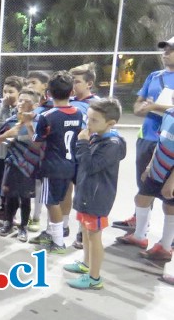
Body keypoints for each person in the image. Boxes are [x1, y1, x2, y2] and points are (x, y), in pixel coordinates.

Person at [64, 98, 126, 290]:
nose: (88, 124)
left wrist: (82, 143)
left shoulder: (112, 144)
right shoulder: (97, 136)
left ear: (110, 123)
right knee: (85, 230)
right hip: (86, 192)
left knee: (94, 235)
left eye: (94, 121)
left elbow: (90, 165)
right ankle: (86, 264)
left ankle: (94, 278)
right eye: (88, 119)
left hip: (97, 197)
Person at [113, 37, 174, 231]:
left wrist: (155, 106)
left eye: (170, 50)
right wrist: (140, 108)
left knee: (168, 192)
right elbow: (139, 103)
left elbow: (152, 105)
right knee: (144, 182)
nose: (165, 53)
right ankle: (140, 224)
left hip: (168, 142)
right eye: (165, 50)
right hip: (146, 137)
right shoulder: (154, 76)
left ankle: (167, 239)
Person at [28, 71, 83, 254]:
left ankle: (58, 242)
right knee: (58, 199)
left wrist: (28, 124)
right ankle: (51, 233)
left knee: (51, 203)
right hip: (70, 164)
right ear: (72, 91)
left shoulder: (48, 116)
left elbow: (36, 143)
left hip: (52, 165)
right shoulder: (77, 113)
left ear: (48, 94)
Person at [116, 98, 174, 262]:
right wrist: (150, 167)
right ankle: (140, 236)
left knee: (169, 207)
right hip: (158, 168)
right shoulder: (169, 113)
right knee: (141, 199)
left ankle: (165, 247)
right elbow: (161, 142)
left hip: (171, 174)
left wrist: (171, 182)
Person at [0, 88, 42, 242]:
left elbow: (38, 145)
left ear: (35, 105)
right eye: (20, 100)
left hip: (29, 166)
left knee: (25, 197)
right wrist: (9, 134)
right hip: (12, 163)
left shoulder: (39, 122)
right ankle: (8, 222)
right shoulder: (12, 121)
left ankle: (23, 227)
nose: (20, 103)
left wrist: (26, 127)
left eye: (25, 101)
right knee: (9, 195)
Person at [67, 62, 101, 249]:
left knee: (83, 195)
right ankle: (63, 227)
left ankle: (82, 233)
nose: (73, 85)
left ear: (89, 83)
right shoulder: (68, 102)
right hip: (68, 154)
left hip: (85, 155)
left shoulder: (96, 105)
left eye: (77, 81)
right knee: (67, 193)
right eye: (71, 81)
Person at [0, 76, 24, 217]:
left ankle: (12, 212)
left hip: (14, 153)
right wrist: (6, 124)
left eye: (11, 92)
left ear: (19, 93)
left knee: (11, 183)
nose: (7, 95)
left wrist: (5, 125)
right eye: (5, 91)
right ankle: (3, 207)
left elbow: (18, 127)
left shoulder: (20, 109)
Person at [25, 71, 50, 233]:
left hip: (43, 153)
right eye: (28, 82)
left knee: (40, 185)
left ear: (45, 86)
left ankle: (36, 216)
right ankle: (25, 215)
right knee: (26, 184)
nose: (29, 85)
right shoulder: (25, 102)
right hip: (25, 152)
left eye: (33, 82)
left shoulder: (50, 106)